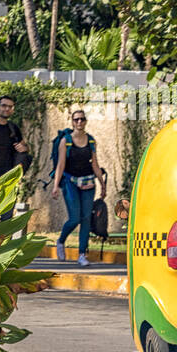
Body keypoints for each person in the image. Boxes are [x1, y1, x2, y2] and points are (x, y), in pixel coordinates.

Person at [51, 108, 105, 265]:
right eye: (76, 120)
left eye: (82, 119)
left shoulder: (91, 141)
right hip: (70, 182)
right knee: (74, 218)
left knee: (86, 218)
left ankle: (82, 254)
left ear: (86, 121)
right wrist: (55, 186)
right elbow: (60, 165)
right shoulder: (65, 141)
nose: (79, 122)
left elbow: (95, 164)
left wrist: (102, 184)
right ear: (72, 122)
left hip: (88, 182)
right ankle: (61, 241)